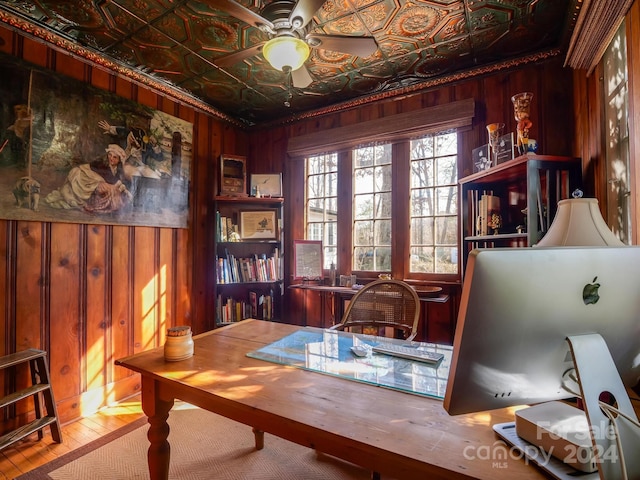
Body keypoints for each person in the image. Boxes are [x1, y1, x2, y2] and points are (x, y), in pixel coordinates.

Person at [45, 144, 133, 213]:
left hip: (96, 180)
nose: (111, 158)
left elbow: (115, 179)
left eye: (114, 157)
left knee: (113, 190)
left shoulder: (117, 169)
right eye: (110, 155)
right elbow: (110, 178)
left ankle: (103, 206)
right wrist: (123, 189)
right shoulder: (102, 163)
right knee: (111, 189)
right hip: (85, 176)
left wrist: (123, 189)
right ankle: (92, 205)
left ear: (119, 160)